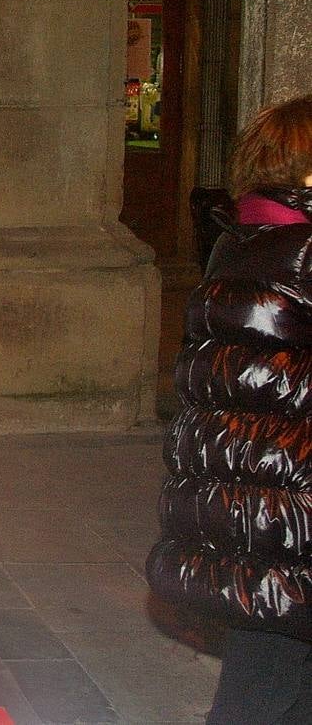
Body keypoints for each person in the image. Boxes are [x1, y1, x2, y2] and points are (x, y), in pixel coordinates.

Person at [146, 95, 312, 724]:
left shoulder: (243, 242)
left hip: (254, 505)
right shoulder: (301, 253)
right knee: (265, 685)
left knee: (267, 669)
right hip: (288, 509)